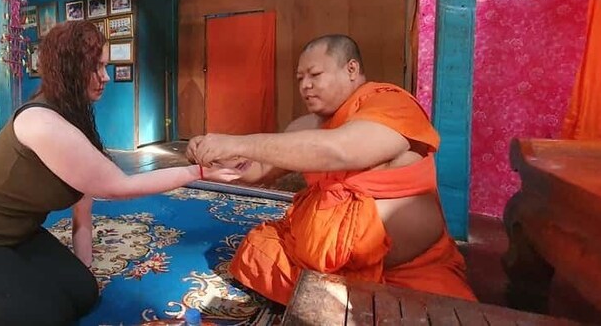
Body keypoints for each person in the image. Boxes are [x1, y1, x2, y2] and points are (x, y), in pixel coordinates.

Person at [0, 20, 242, 325]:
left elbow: (82, 209)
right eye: (97, 66)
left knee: (83, 294)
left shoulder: (74, 117)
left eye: (106, 66)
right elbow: (118, 186)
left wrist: (80, 272)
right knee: (49, 317)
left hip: (14, 237)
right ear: (70, 68)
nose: (107, 76)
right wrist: (199, 171)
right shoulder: (42, 122)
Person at [187, 34, 476, 305]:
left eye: (315, 75)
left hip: (408, 269)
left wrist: (240, 142)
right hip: (325, 261)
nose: (305, 86)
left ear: (351, 69)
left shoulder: (391, 104)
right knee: (256, 250)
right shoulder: (305, 126)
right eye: (300, 78)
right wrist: (212, 159)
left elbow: (340, 150)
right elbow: (257, 170)